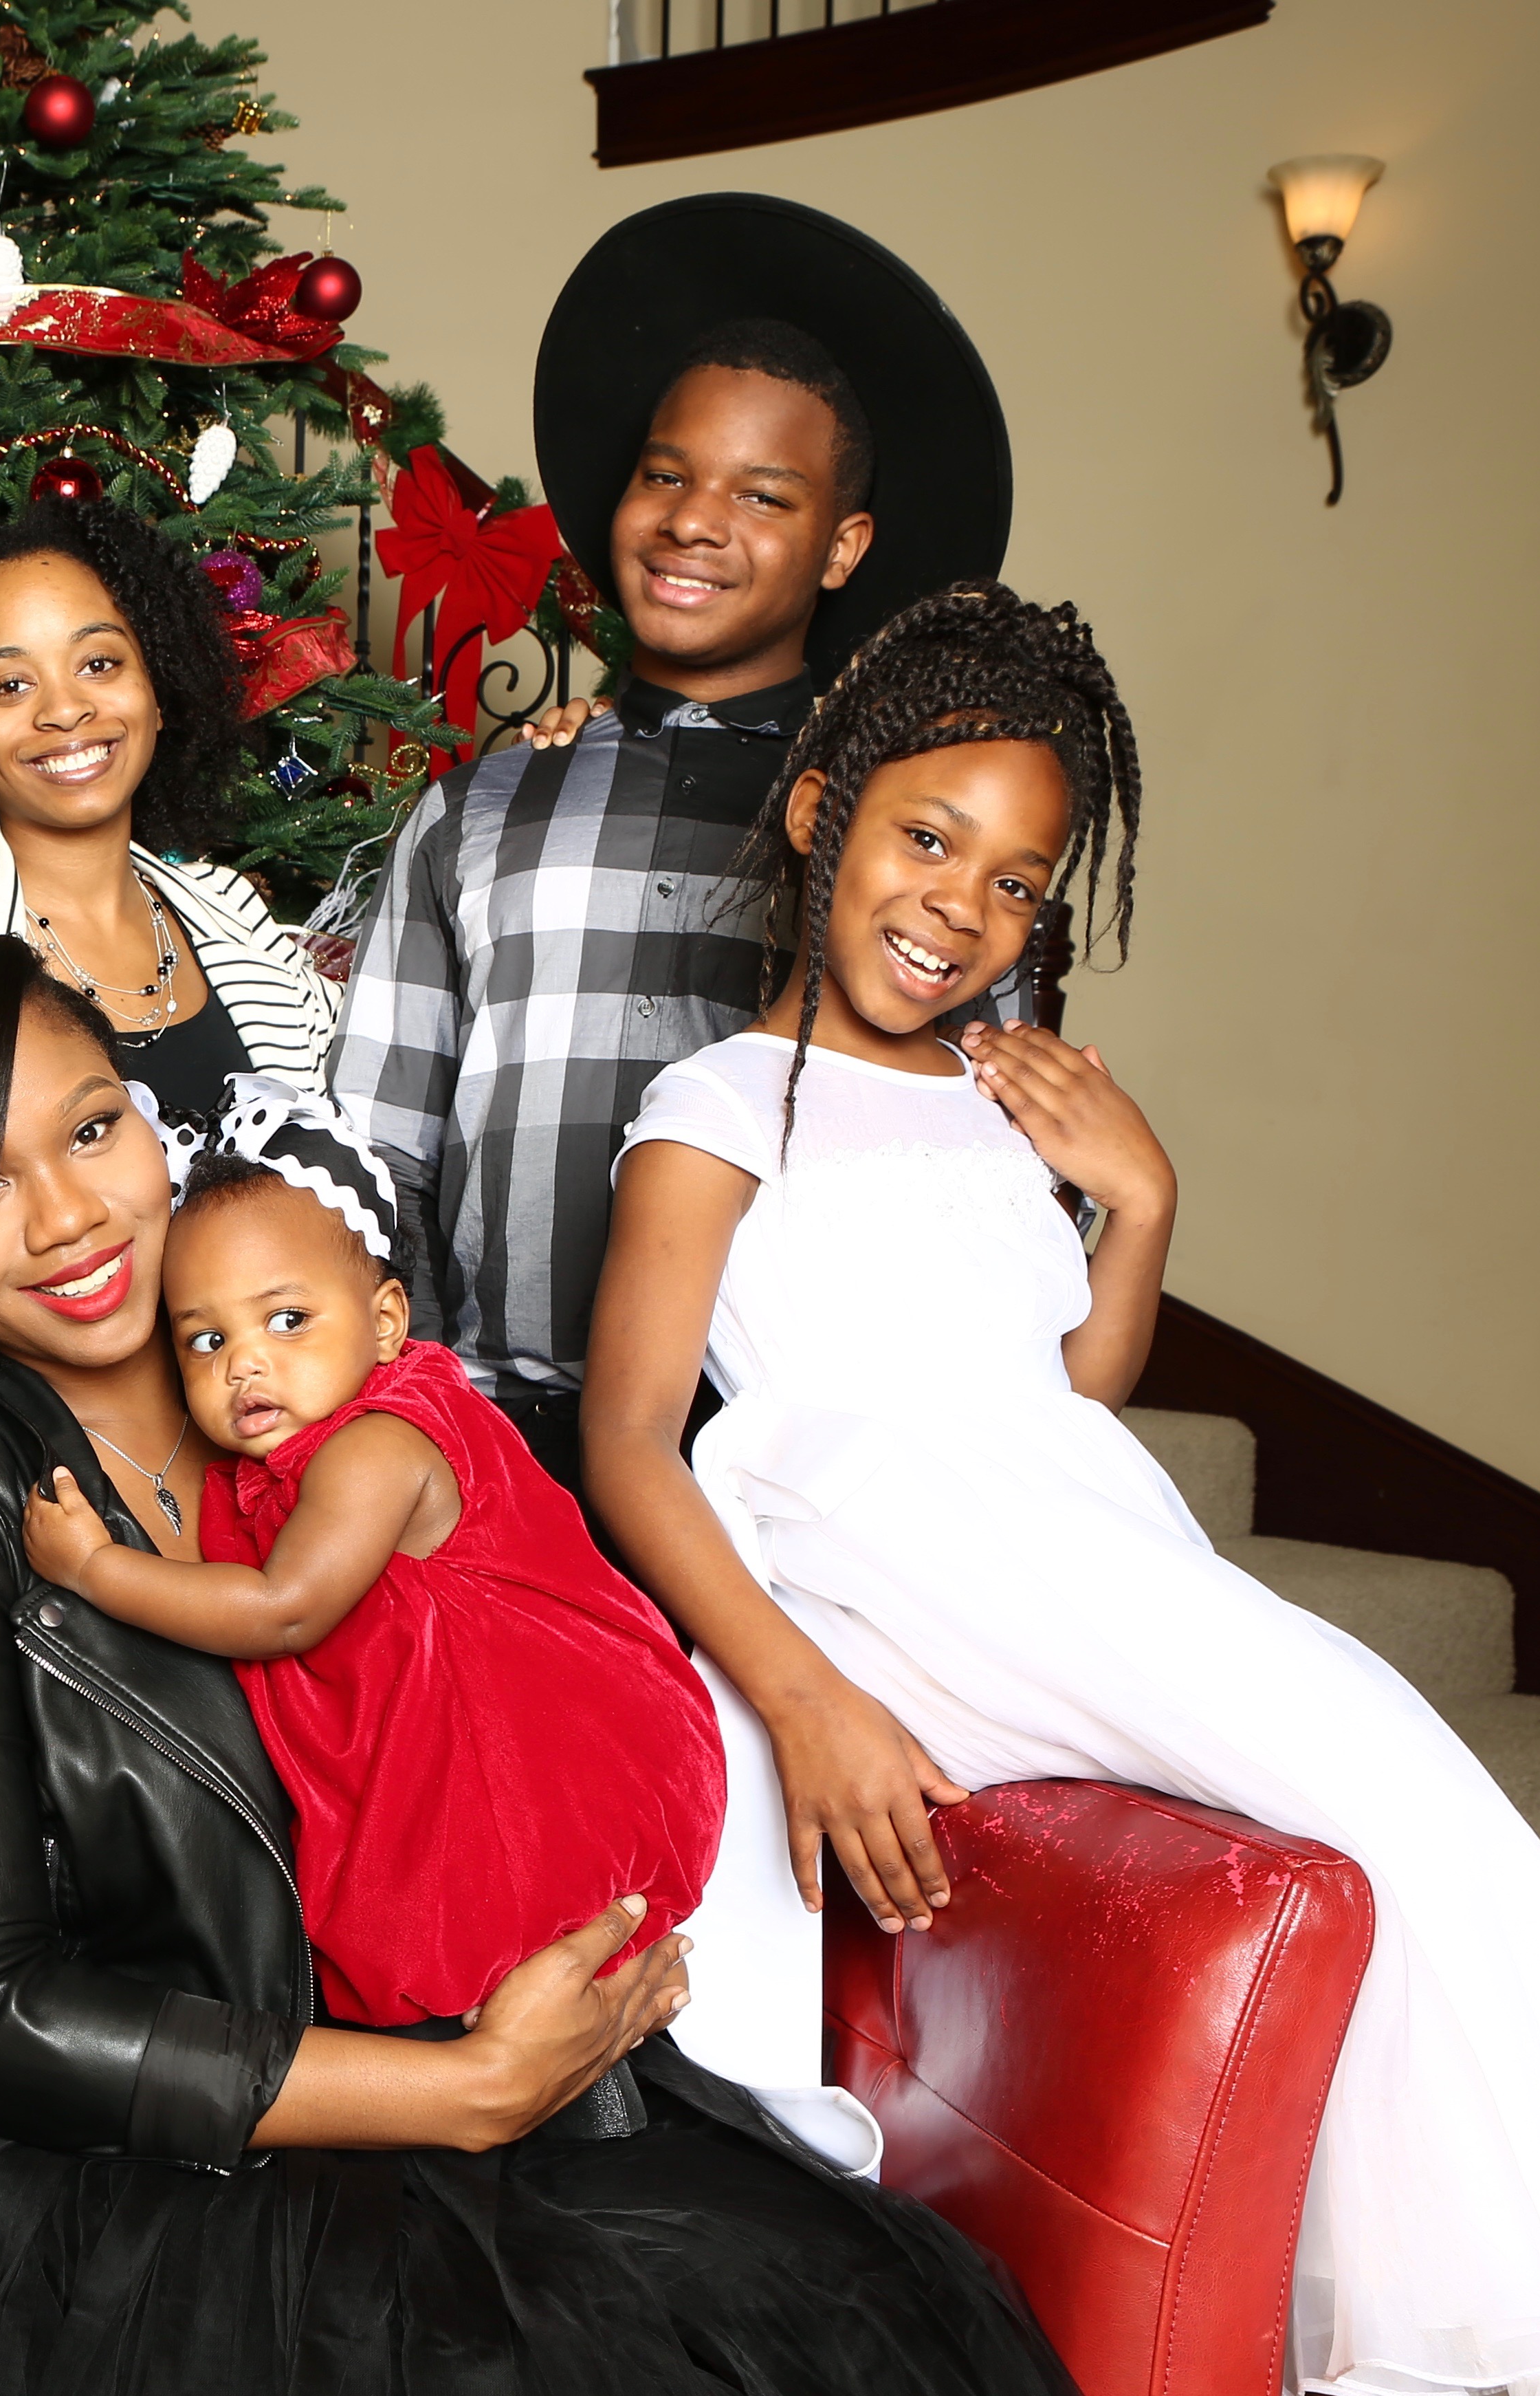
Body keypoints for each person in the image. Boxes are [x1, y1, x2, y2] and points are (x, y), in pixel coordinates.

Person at [0, 931, 1180, 2396]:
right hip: (142, 2166)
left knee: (826, 2345)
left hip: (436, 2058)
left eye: (88, 1128)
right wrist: (460, 2090)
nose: (68, 1215)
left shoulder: (320, 1393)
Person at [584, 584, 1540, 2396]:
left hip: (1061, 1528)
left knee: (1386, 1784)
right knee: (1375, 1758)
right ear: (816, 811)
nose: (962, 909)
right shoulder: (712, 1111)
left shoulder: (1007, 1099)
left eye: (1016, 883)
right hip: (894, 1557)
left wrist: (1138, 1201)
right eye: (926, 839)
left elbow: (1070, 1382)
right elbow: (629, 1437)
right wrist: (803, 1695)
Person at [330, 195, 1010, 1495]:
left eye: (763, 494)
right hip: (496, 1430)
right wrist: (413, 1402)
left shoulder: (901, 835)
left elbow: (971, 1148)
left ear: (842, 546)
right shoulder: (478, 809)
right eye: (666, 475)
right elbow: (378, 1145)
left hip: (795, 1449)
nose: (696, 520)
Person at [18, 1073, 722, 2031]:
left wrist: (95, 1568)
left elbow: (284, 1609)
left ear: (386, 1322)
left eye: (287, 1320)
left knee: (490, 1952)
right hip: (431, 1759)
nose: (245, 1362)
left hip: (524, 1769)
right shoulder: (273, 1461)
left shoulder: (378, 1444)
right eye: (206, 1338)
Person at [0, 497, 336, 1128]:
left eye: (99, 663)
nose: (65, 709)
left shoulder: (232, 906)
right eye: (10, 685)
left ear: (156, 693)